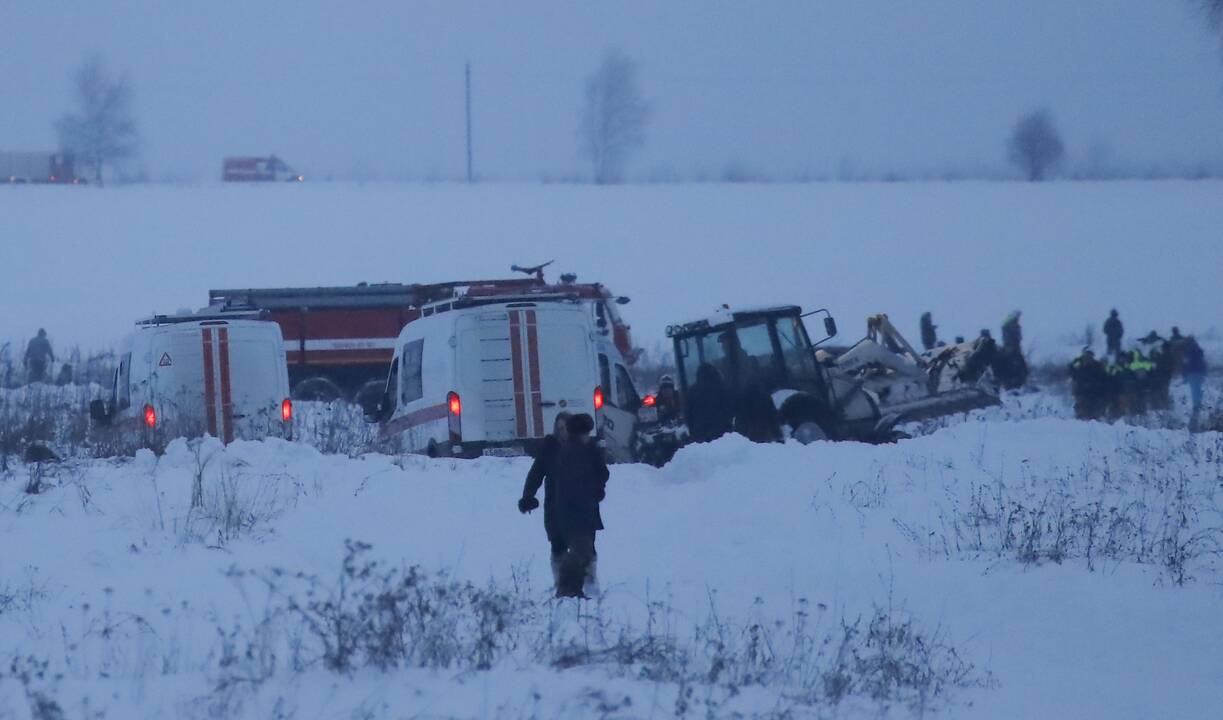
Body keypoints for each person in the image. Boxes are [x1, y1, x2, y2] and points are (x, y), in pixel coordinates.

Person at [519, 413, 608, 599]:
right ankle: (563, 583)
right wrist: (528, 496)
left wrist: (597, 488)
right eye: (559, 428)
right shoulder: (550, 449)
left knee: (586, 546)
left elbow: (600, 472)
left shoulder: (586, 448)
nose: (563, 431)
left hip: (582, 506)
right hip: (555, 506)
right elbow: (535, 474)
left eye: (565, 427)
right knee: (558, 546)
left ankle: (589, 581)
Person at [686, 363, 734, 442]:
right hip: (721, 434)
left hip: (700, 435)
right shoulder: (721, 388)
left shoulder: (692, 391)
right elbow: (729, 410)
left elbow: (688, 415)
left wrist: (694, 432)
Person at [1069, 348, 1108, 420]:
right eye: (1086, 355)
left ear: (1093, 356)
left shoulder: (1098, 366)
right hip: (1082, 392)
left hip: (1095, 392)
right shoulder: (1079, 365)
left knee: (1097, 407)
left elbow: (1104, 378)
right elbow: (1072, 372)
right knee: (1081, 406)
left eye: (1090, 355)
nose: (1088, 358)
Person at [1182, 336, 1207, 418]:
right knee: (1198, 389)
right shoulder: (1199, 350)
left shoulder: (1188, 351)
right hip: (1199, 372)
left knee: (1194, 390)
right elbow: (1202, 362)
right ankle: (1198, 404)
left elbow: (1186, 363)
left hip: (1192, 373)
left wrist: (1185, 375)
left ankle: (1196, 406)